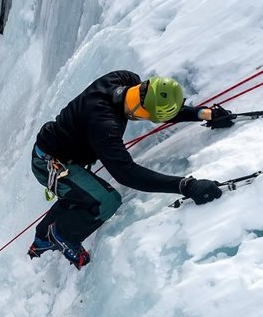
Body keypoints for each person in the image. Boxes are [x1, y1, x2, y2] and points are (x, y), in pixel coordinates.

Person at [28, 70, 234, 269]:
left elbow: (155, 104)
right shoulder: (105, 124)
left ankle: (42, 237)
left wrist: (204, 114)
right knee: (107, 200)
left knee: (83, 194)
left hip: (58, 151)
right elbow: (127, 174)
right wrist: (186, 186)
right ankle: (63, 235)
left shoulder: (124, 79)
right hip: (49, 164)